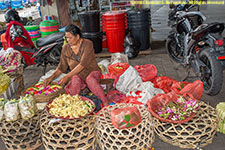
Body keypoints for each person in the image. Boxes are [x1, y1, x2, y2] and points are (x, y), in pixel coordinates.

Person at [43, 24, 108, 106]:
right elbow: (61, 67)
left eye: (70, 38)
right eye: (66, 38)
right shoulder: (66, 48)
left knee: (89, 79)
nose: (67, 40)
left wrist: (67, 76)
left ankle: (105, 102)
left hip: (92, 73)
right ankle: (73, 105)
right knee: (75, 78)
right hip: (78, 75)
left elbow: (82, 65)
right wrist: (50, 77)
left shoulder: (87, 44)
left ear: (77, 36)